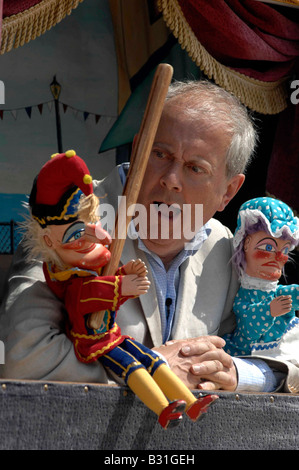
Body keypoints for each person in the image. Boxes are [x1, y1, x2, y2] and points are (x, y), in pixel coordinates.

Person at [1, 80, 298, 393]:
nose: (171, 180)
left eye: (195, 168)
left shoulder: (226, 248)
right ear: (138, 147)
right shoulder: (67, 226)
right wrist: (153, 368)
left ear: (228, 191)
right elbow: (23, 356)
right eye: (160, 154)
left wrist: (240, 373)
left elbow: (287, 348)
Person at [21, 149, 218, 429]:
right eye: (78, 234)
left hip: (112, 336)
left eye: (93, 222)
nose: (98, 234)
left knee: (153, 360)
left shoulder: (222, 242)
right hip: (93, 345)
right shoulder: (76, 285)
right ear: (50, 243)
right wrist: (122, 284)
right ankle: (163, 409)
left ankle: (192, 403)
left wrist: (126, 275)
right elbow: (96, 295)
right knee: (134, 369)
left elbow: (110, 289)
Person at [223, 197, 299, 360]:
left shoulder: (276, 292)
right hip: (249, 355)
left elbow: (291, 293)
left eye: (285, 250)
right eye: (268, 247)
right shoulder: (246, 296)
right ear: (246, 244)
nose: (279, 256)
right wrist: (269, 310)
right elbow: (247, 324)